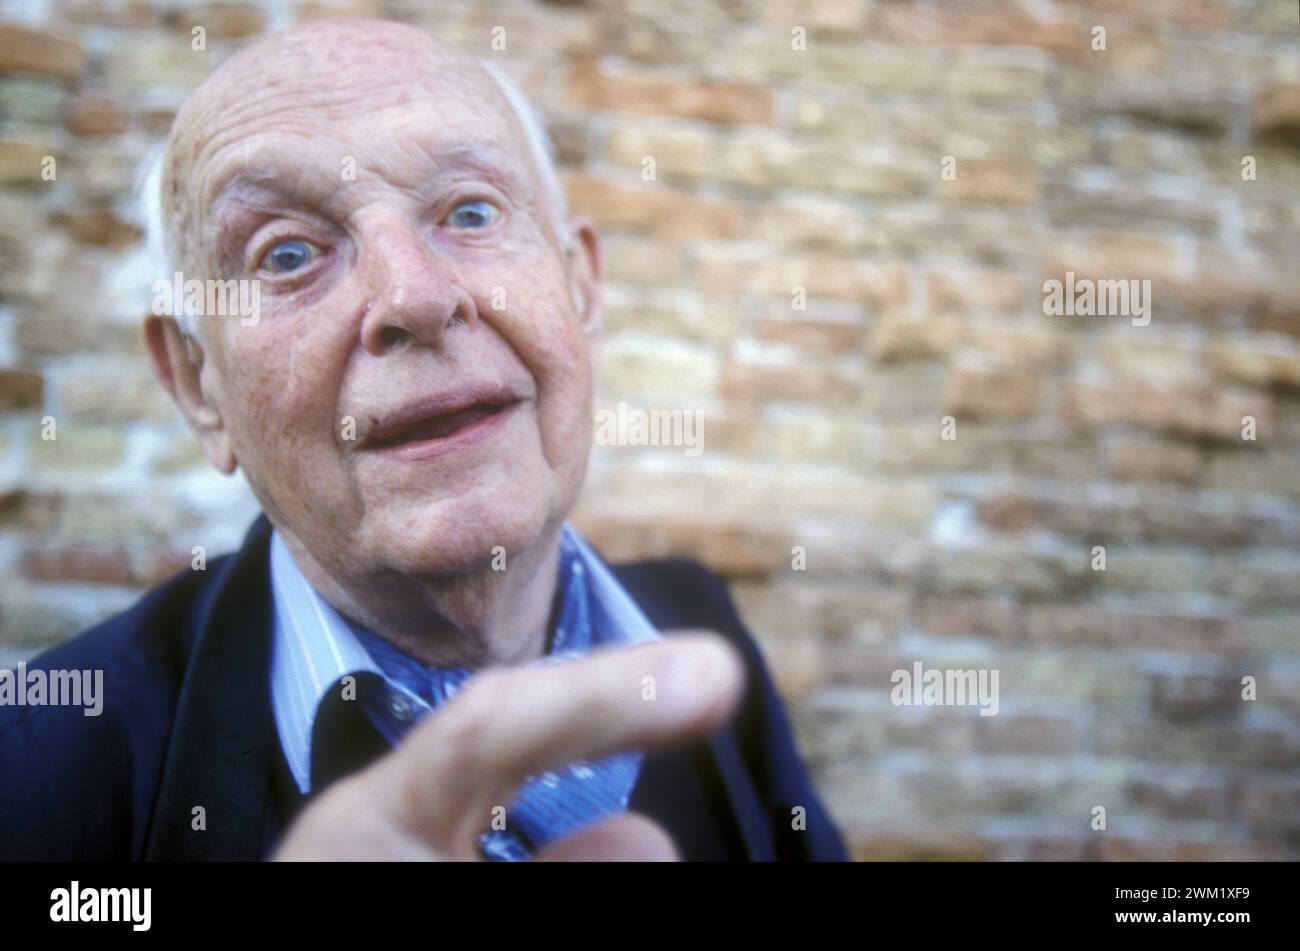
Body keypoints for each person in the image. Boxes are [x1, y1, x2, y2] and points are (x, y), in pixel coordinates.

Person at [0, 18, 847, 862]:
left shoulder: (699, 625)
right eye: (287, 252)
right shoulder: (37, 772)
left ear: (581, 289)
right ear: (197, 382)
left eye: (470, 212)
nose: (414, 295)